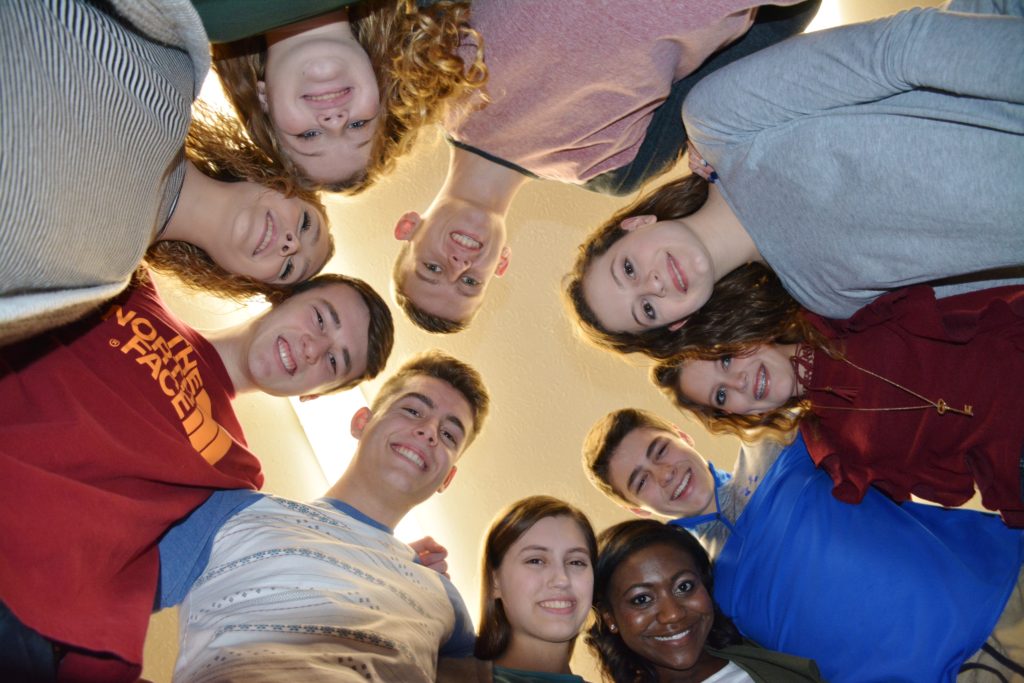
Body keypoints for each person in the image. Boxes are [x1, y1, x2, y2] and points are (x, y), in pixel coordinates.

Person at [565, 1, 1024, 360]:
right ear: (676, 325)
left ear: (637, 223)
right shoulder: (825, 298)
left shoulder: (717, 123)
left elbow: (902, 49)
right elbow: (988, 277)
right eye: (646, 309)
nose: (654, 285)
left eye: (627, 269)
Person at [0, 272, 393, 681]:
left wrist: (376, 552)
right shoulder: (135, 290)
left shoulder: (236, 470)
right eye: (319, 318)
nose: (314, 348)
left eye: (334, 361)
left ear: (316, 394)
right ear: (280, 297)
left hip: (28, 617)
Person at [391, 0, 821, 333]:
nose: (459, 265)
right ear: (500, 265)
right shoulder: (615, 172)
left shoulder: (432, 70)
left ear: (408, 227)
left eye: (432, 269)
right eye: (470, 283)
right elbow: (735, 69)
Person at [581, 408, 1024, 682]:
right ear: (638, 508)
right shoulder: (700, 589)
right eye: (641, 481)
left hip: (999, 596)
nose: (664, 475)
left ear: (683, 435)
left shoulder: (775, 441)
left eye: (659, 451)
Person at [0, 0, 333, 346]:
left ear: (242, 279)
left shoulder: (98, 281)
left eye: (289, 269)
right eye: (306, 224)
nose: (291, 244)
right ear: (276, 179)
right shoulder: (179, 65)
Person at [163, 350, 490, 681]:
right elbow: (111, 574)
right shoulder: (233, 513)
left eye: (449, 434)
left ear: (447, 479)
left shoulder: (444, 598)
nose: (430, 431)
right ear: (362, 422)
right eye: (412, 410)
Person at [652, 284, 1024, 527]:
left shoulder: (838, 306)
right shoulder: (832, 450)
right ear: (735, 414)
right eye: (720, 395)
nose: (737, 381)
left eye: (726, 359)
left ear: (740, 331)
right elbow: (950, 483)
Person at [196, 0, 486, 191]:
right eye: (358, 126)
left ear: (263, 99)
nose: (335, 121)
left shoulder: (201, 16)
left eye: (309, 135)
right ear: (381, 83)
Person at [589, 519, 823, 682]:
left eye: (684, 586)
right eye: (641, 599)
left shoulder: (770, 660)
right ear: (610, 617)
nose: (673, 614)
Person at [439, 495, 597, 683]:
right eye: (535, 561)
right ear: (494, 581)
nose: (562, 579)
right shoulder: (431, 676)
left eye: (576, 562)